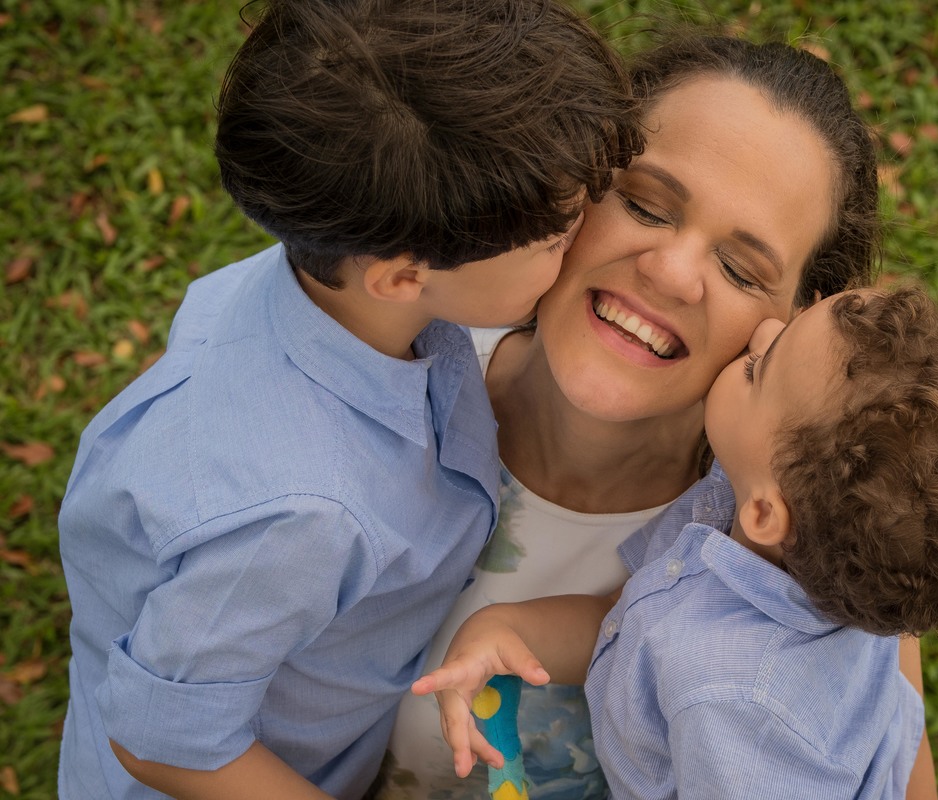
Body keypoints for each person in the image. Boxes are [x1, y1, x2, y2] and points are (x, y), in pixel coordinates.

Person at [54, 0, 641, 797]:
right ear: (403, 276)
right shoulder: (300, 515)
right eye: (554, 240)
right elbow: (165, 741)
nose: (585, 243)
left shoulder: (333, 287)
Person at [376, 34, 938, 800]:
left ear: (803, 329)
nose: (671, 274)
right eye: (645, 203)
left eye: (743, 269)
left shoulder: (820, 548)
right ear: (577, 181)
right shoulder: (390, 336)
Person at [414, 286, 938, 799]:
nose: (760, 329)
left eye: (760, 367)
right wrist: (510, 630)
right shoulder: (771, 527)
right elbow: (638, 616)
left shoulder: (738, 706)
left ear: (765, 513)